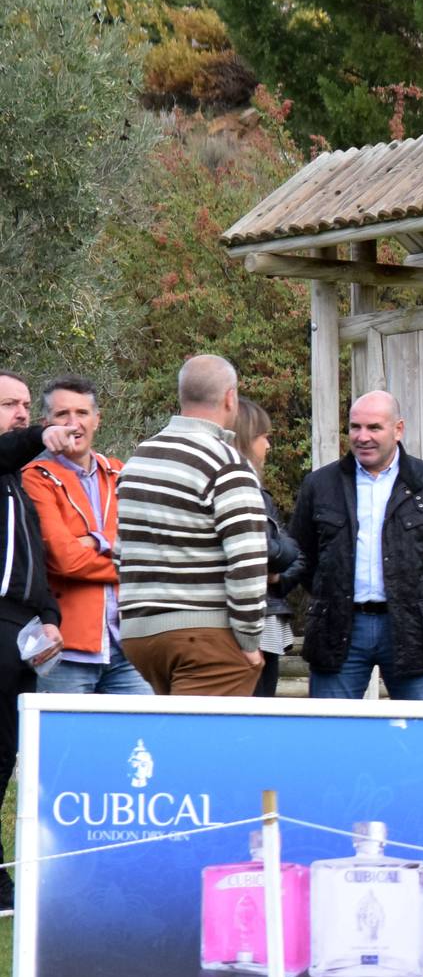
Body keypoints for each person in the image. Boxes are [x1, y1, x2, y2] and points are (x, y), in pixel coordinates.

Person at [289, 391, 423, 701]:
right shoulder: (320, 485)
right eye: (355, 427)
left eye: (373, 428)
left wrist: (420, 597)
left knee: (421, 736)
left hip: (413, 627)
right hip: (338, 625)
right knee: (332, 735)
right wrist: (330, 589)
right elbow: (302, 553)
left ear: (398, 429)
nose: (362, 437)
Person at [116, 355, 270, 696]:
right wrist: (248, 641)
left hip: (140, 635)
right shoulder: (228, 464)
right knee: (205, 746)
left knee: (168, 743)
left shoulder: (138, 459)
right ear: (231, 397)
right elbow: (247, 563)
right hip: (205, 635)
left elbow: (120, 552)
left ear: (182, 394)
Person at [22, 376, 149, 695]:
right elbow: (63, 560)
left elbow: (148, 546)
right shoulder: (35, 478)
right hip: (65, 650)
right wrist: (125, 560)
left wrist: (93, 539)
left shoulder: (121, 473)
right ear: (45, 424)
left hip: (129, 646)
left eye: (82, 413)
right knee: (65, 745)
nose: (73, 423)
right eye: (62, 414)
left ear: (98, 420)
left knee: (143, 739)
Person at [1, 369, 71, 913]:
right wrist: (41, 437)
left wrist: (49, 614)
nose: (24, 413)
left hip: (22, 633)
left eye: (27, 405)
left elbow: (34, 562)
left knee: (5, 756)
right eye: (11, 405)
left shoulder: (18, 484)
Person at [228, 399, 302, 698]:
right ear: (246, 438)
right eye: (263, 436)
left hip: (267, 617)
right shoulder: (232, 490)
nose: (268, 446)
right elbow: (265, 550)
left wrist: (277, 577)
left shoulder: (263, 496)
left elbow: (291, 552)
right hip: (236, 624)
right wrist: (270, 556)